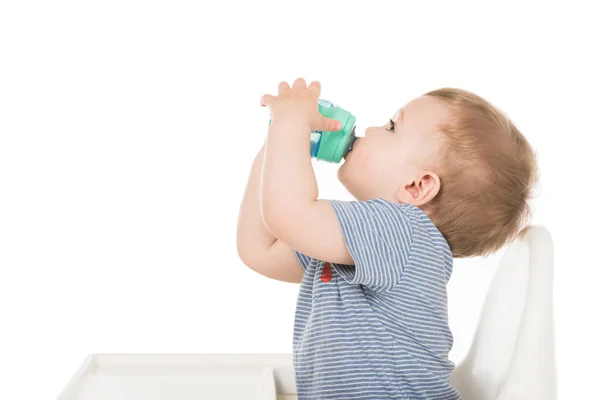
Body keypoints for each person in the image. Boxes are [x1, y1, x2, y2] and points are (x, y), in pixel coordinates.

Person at [236, 78, 538, 399]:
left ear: (416, 187)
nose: (372, 130)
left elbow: (289, 215)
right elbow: (261, 250)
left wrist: (291, 125)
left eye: (392, 127)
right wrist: (277, 145)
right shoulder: (357, 240)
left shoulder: (403, 233)